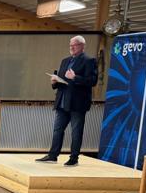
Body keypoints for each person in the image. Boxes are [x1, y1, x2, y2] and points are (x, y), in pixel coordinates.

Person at [36, 35, 99, 167]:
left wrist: (75, 77)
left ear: (82, 46)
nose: (71, 47)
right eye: (70, 44)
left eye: (74, 44)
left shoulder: (89, 60)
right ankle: (53, 156)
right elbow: (62, 81)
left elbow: (92, 81)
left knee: (76, 132)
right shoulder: (65, 61)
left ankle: (74, 158)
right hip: (62, 101)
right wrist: (54, 82)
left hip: (77, 103)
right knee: (57, 130)